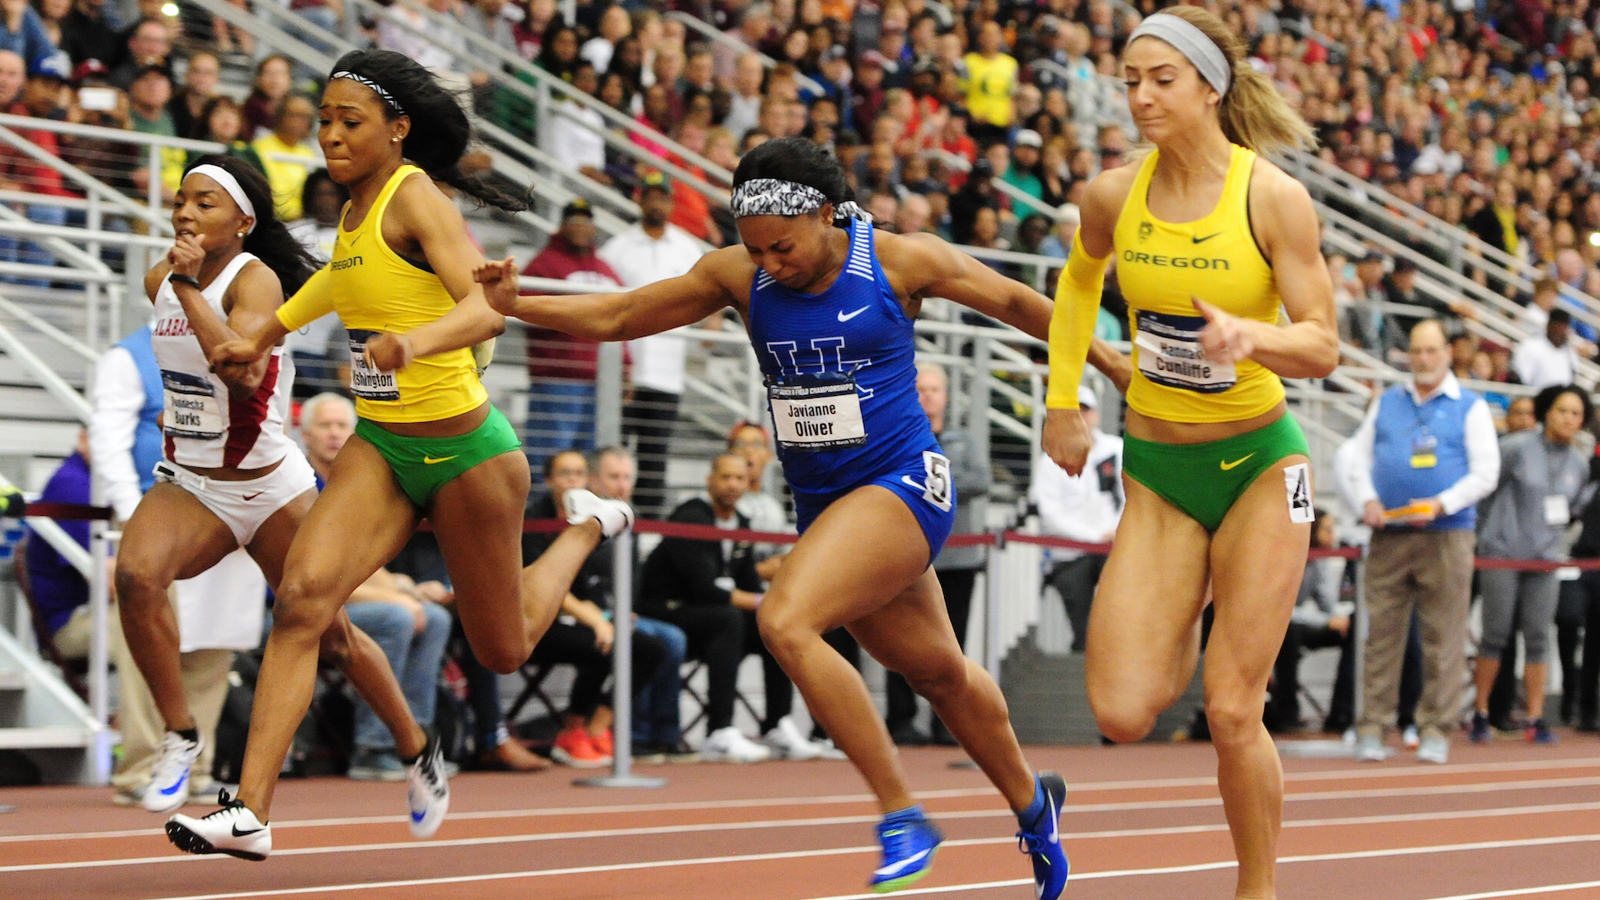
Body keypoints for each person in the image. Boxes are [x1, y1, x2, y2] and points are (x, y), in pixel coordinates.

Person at [475, 136, 1135, 897]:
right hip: (825, 504)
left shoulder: (897, 260)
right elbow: (623, 312)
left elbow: (1025, 304)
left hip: (905, 482)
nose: (769, 265)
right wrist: (515, 302)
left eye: (781, 247)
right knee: (940, 673)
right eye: (754, 250)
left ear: (826, 214)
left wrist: (1097, 370)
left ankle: (902, 816)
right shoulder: (739, 273)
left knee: (785, 621)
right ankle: (1033, 804)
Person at [171, 50, 631, 860]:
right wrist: (228, 323)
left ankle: (589, 526)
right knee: (304, 601)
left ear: (398, 128)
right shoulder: (348, 222)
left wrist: (410, 344)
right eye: (323, 121)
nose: (331, 136)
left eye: (350, 122)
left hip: (469, 457)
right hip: (381, 449)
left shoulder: (414, 195)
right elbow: (304, 308)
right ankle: (249, 811)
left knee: (504, 647)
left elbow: (487, 310)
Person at [1040, 10, 1338, 899]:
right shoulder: (1110, 195)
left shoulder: (1271, 198)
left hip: (1259, 466)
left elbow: (1323, 346)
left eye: (1161, 78)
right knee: (1123, 712)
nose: (1140, 97)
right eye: (1130, 79)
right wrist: (1063, 402)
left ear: (1210, 86)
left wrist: (1254, 335)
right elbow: (1077, 282)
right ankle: (1193, 590)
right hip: (1159, 472)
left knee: (1231, 708)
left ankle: (1257, 889)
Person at [106, 156, 432, 826]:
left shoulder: (257, 279)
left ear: (243, 221)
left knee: (333, 637)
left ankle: (416, 747)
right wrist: (178, 409)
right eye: (180, 202)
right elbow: (190, 373)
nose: (186, 214)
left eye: (204, 203)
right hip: (195, 481)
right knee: (137, 576)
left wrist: (193, 290)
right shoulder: (156, 279)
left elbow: (244, 378)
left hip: (268, 485)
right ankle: (179, 735)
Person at [1343, 319, 1500, 764]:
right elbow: (1357, 457)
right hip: (1388, 533)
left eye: (1431, 350)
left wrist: (1442, 503)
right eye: (1416, 351)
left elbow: (1486, 472)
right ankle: (1372, 726)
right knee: (1381, 637)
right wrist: (1367, 499)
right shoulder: (1386, 402)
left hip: (1447, 536)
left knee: (1444, 638)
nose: (1423, 359)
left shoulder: (1470, 407)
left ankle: (1436, 730)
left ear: (1448, 353)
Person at [297, 393, 457, 781]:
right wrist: (397, 598)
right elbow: (318, 579)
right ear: (305, 434)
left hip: (341, 603)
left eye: (342, 426)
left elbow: (363, 562)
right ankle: (374, 747)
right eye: (325, 426)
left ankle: (418, 741)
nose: (335, 434)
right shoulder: (299, 485)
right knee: (396, 617)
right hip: (292, 612)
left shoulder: (353, 483)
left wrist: (405, 587)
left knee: (434, 617)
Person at [637, 454, 786, 763]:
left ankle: (778, 725)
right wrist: (761, 602)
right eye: (725, 477)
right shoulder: (690, 516)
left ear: (749, 483)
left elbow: (749, 584)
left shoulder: (742, 523)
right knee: (729, 619)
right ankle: (720, 730)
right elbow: (704, 589)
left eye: (739, 478)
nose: (732, 485)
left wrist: (771, 606)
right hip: (663, 609)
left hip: (707, 614)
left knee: (777, 626)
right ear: (710, 480)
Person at [524, 450, 668, 767]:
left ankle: (594, 728)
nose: (573, 480)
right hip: (538, 622)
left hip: (585, 617)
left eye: (579, 473)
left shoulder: (592, 519)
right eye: (564, 473)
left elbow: (593, 581)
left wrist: (608, 615)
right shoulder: (533, 520)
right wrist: (596, 620)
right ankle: (572, 734)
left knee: (651, 648)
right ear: (549, 481)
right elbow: (539, 582)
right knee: (604, 644)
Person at [1470, 384, 1591, 745]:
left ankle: (1536, 717)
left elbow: (1570, 513)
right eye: (1561, 410)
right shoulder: (1516, 447)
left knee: (1539, 637)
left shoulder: (1580, 463)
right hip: (1502, 554)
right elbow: (1484, 493)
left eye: (1576, 413)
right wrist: (1486, 538)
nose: (1568, 419)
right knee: (1495, 635)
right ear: (1546, 412)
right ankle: (1480, 712)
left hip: (1545, 560)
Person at [884, 362, 990, 746]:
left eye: (934, 389)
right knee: (900, 641)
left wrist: (928, 477)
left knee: (952, 643)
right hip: (909, 557)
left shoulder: (965, 440)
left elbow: (981, 480)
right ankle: (900, 720)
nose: (928, 394)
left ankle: (948, 724)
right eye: (921, 388)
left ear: (945, 396)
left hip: (959, 558)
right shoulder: (897, 434)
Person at [596, 172, 706, 517]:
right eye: (651, 196)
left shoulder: (688, 249)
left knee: (655, 453)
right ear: (639, 199)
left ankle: (647, 526)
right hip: (626, 370)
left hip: (667, 371)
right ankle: (608, 521)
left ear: (671, 203)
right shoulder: (617, 248)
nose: (657, 203)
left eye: (663, 197)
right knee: (615, 452)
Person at [588, 445, 691, 760]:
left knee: (673, 637)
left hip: (626, 612)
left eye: (627, 477)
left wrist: (628, 610)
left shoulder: (630, 519)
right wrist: (609, 615)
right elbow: (581, 581)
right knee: (645, 642)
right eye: (613, 477)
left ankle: (665, 734)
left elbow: (632, 579)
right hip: (593, 613)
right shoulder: (583, 520)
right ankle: (632, 733)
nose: (621, 485)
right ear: (592, 480)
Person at [520, 198, 623, 477]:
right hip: (558, 377)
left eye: (586, 221)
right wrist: (574, 312)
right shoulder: (544, 264)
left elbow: (625, 319)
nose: (580, 227)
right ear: (562, 226)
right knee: (553, 456)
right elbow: (524, 308)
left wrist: (625, 367)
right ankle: (541, 516)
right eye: (573, 221)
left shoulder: (604, 268)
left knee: (590, 458)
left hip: (599, 379)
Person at [1031, 385, 1122, 655]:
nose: (1080, 417)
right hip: (1070, 555)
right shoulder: (1049, 460)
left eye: (1085, 410)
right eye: (1073, 411)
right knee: (1084, 630)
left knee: (1120, 625)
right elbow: (1049, 515)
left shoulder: (1118, 449)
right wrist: (1094, 537)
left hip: (1116, 549)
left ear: (1095, 414)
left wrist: (1116, 532)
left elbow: (1137, 498)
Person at [1267, 509, 1355, 734]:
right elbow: (1278, 611)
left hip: (1301, 623)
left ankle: (1341, 713)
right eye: (1327, 530)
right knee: (1290, 631)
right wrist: (1327, 621)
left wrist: (1338, 618)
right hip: (1273, 628)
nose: (1333, 537)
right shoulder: (1282, 557)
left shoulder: (1320, 559)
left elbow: (1328, 603)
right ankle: (1287, 713)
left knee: (1353, 628)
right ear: (1312, 531)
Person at [252, 95, 318, 222]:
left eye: (305, 117)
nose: (299, 121)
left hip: (303, 222)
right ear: (280, 116)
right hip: (268, 220)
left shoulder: (309, 154)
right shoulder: (259, 148)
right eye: (293, 115)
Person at [1512, 308, 1581, 390]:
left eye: (1562, 328)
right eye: (1556, 326)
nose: (1558, 331)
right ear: (1549, 325)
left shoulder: (1570, 354)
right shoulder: (1531, 346)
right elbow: (1520, 380)